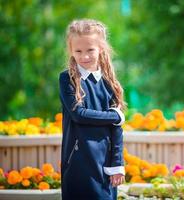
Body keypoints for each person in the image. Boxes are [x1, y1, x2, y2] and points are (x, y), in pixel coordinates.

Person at [59, 18, 126, 200]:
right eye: (78, 51)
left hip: (105, 163)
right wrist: (114, 116)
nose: (84, 56)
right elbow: (78, 114)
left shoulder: (110, 83)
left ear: (101, 48)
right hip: (77, 162)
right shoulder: (67, 79)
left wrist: (117, 164)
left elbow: (117, 129)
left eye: (90, 50)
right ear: (71, 51)